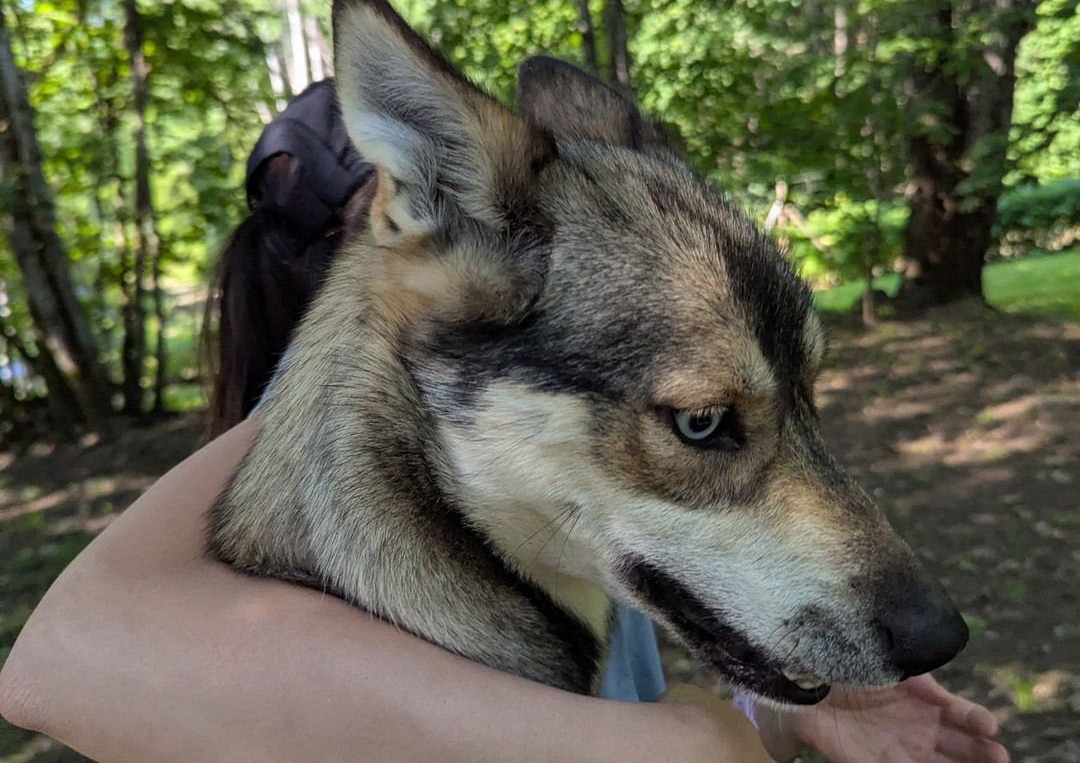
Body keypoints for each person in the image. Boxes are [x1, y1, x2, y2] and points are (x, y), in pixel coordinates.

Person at [0, 80, 1008, 763]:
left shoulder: (553, 526)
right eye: (704, 422)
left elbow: (605, 698)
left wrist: (790, 717)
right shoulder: (262, 608)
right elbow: (55, 661)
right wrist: (668, 746)